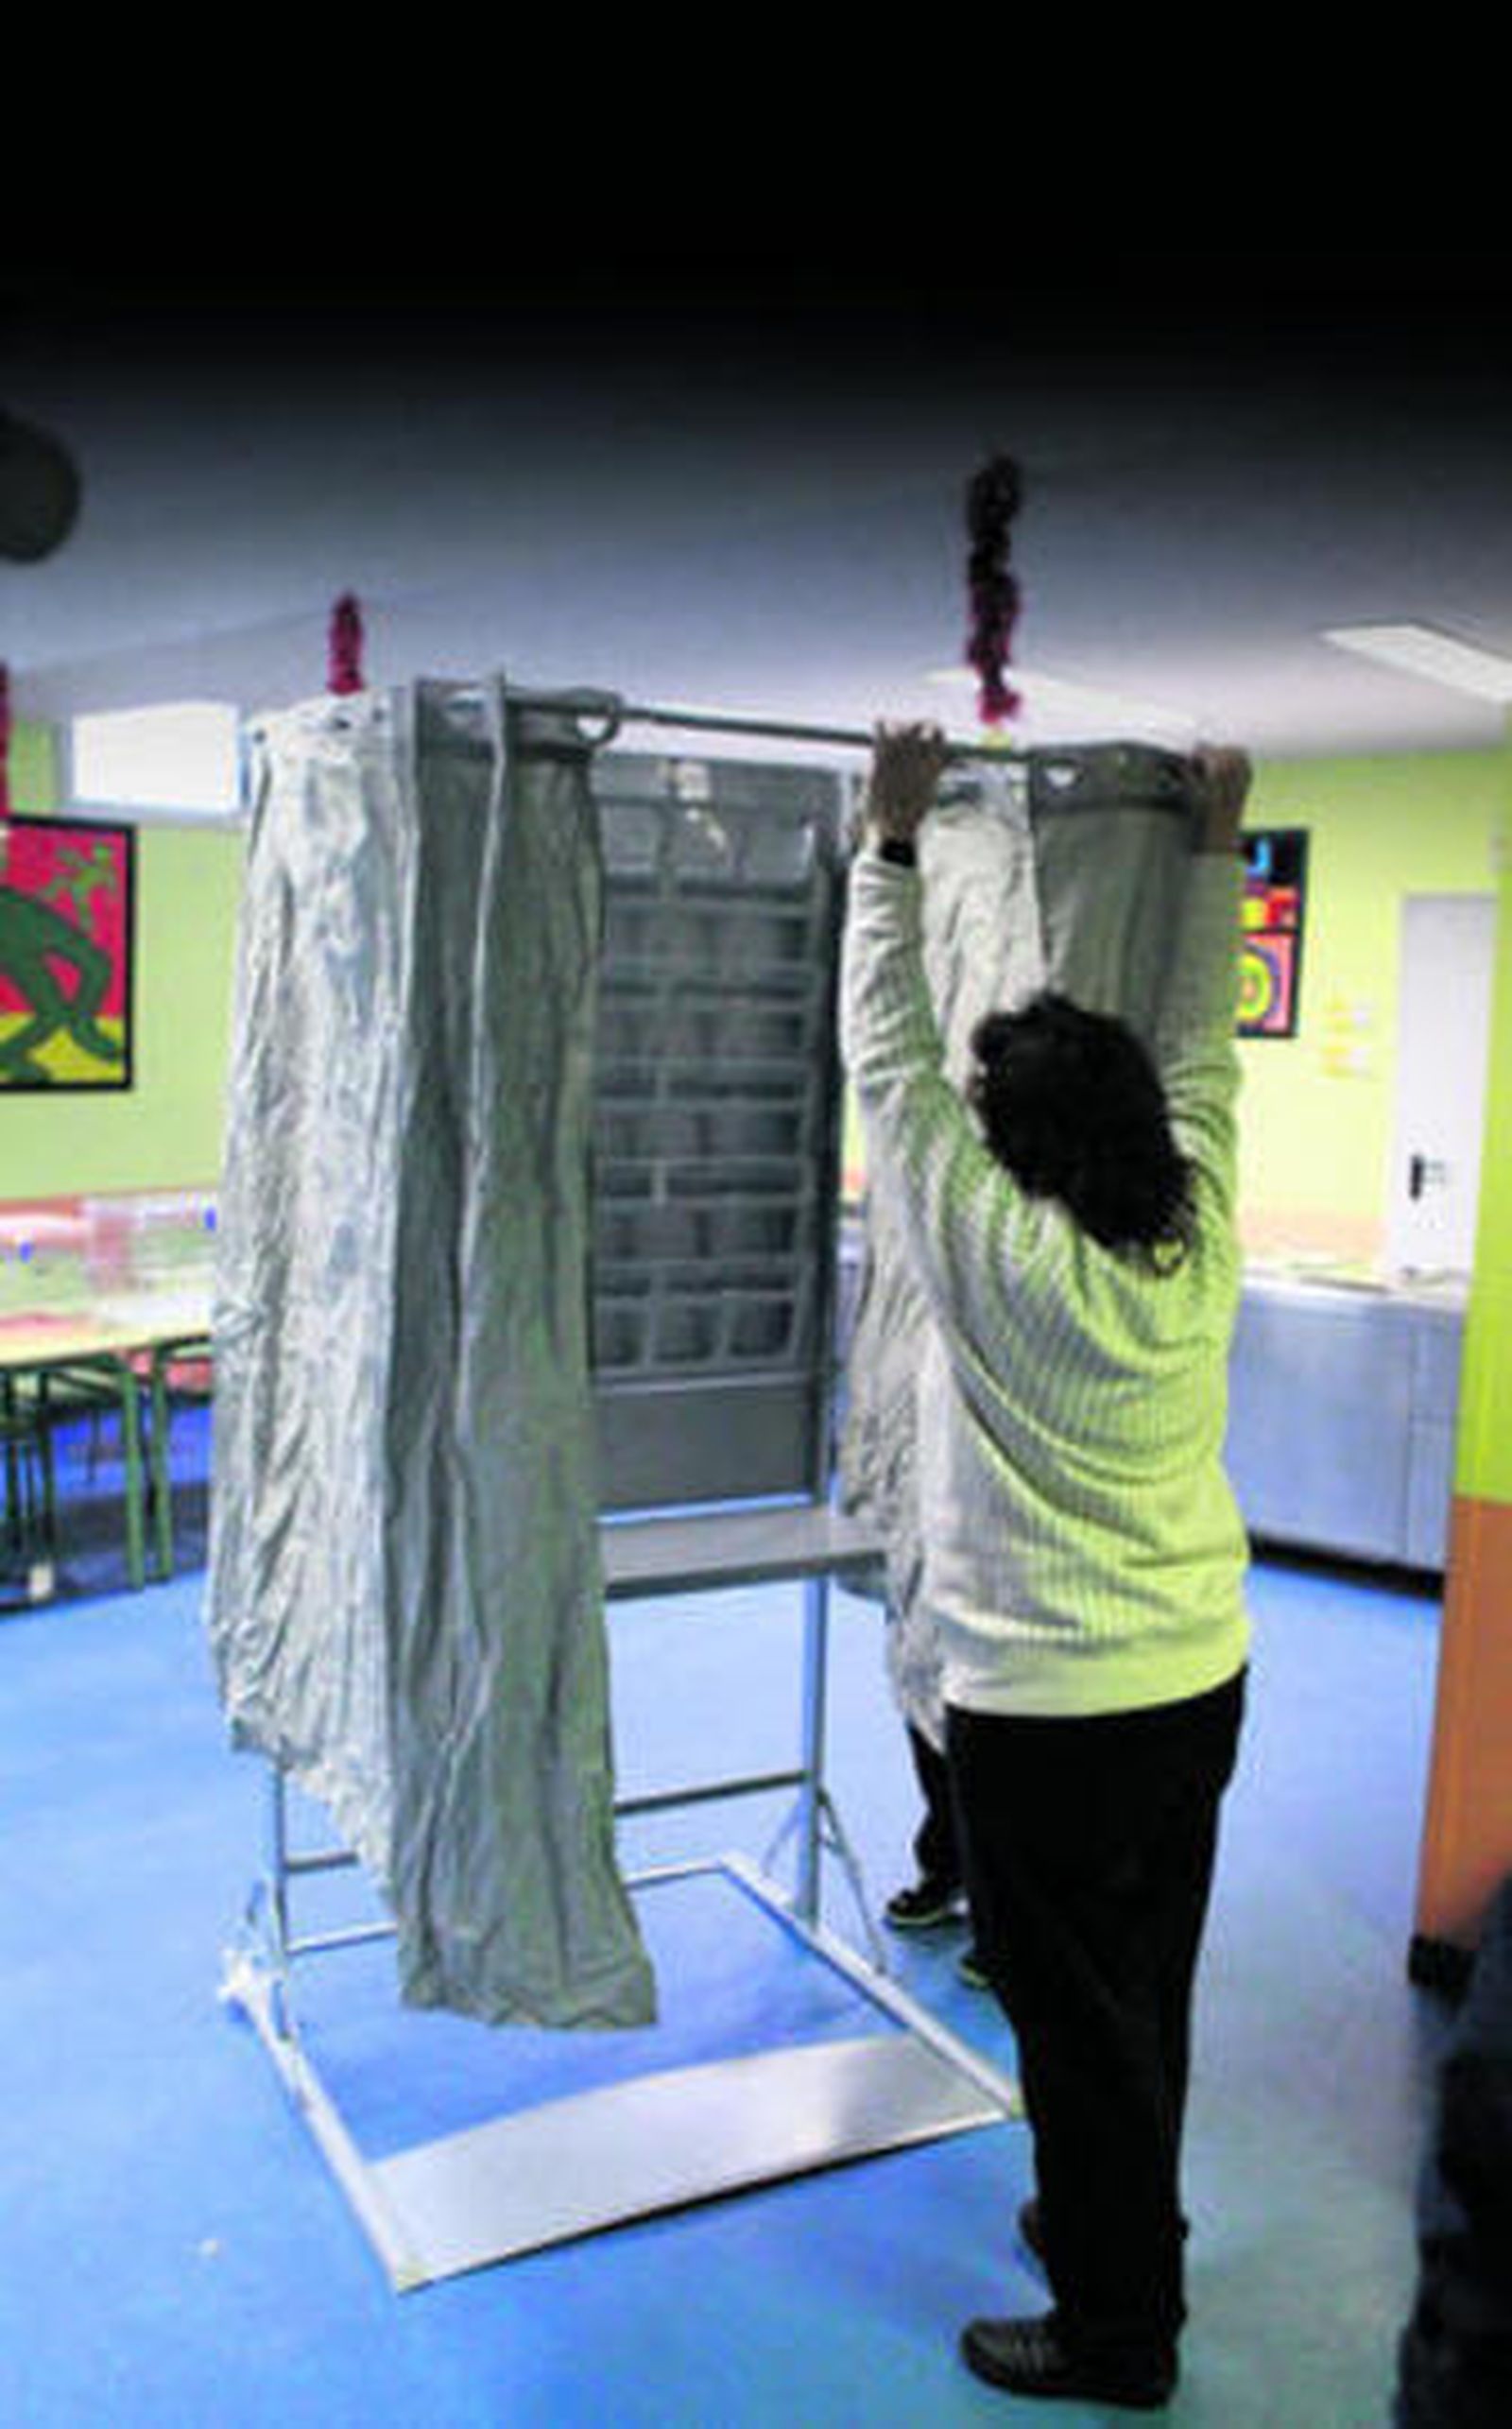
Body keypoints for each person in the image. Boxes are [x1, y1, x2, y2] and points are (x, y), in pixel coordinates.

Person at [841, 723, 1253, 2409]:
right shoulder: (1201, 1220)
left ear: (1013, 1142)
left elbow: (887, 1061)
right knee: (1142, 1993)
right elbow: (1207, 1038)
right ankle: (1115, 2242)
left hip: (1047, 1711)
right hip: (1194, 1682)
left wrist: (887, 847)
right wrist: (1215, 851)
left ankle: (1116, 2334)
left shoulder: (996, 1252)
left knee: (1075, 2029)